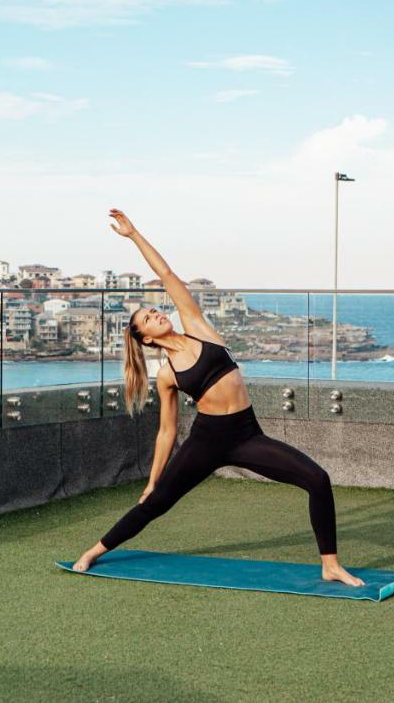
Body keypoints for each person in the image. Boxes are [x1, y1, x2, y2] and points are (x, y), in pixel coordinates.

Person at [71, 208, 365, 587]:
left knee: (317, 479)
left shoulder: (197, 327)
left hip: (246, 435)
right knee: (155, 504)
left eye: (153, 310)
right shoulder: (167, 374)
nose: (156, 314)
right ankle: (95, 550)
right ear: (145, 338)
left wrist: (134, 235)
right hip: (206, 442)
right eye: (147, 318)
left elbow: (167, 275)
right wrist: (153, 479)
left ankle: (330, 564)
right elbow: (166, 432)